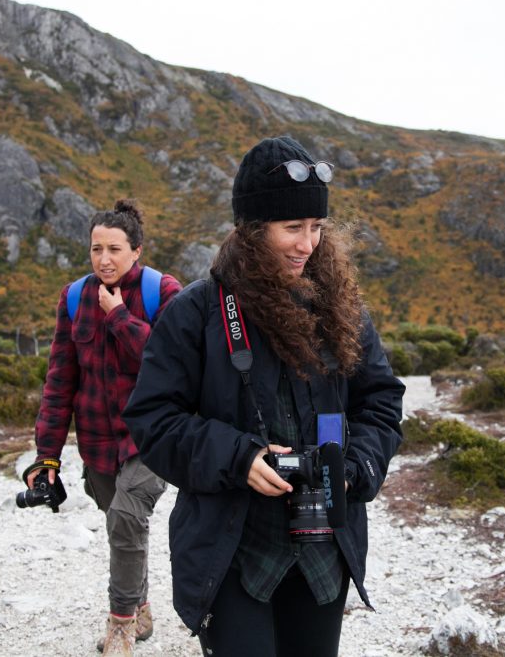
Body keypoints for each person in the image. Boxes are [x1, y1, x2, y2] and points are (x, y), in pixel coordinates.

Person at [122, 136, 405, 656]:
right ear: (253, 231)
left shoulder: (340, 307)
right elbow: (153, 419)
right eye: (292, 228)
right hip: (233, 551)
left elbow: (381, 402)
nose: (308, 244)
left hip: (324, 547)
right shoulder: (197, 313)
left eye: (317, 228)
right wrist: (238, 456)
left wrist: (357, 464)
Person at [27, 198, 182, 657]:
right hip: (96, 441)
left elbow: (173, 365)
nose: (104, 259)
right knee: (123, 526)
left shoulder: (164, 292)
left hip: (152, 436)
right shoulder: (73, 298)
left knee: (127, 517)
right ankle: (142, 605)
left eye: (114, 249)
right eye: (96, 249)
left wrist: (118, 317)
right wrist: (47, 455)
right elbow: (60, 380)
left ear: (137, 250)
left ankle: (120, 626)